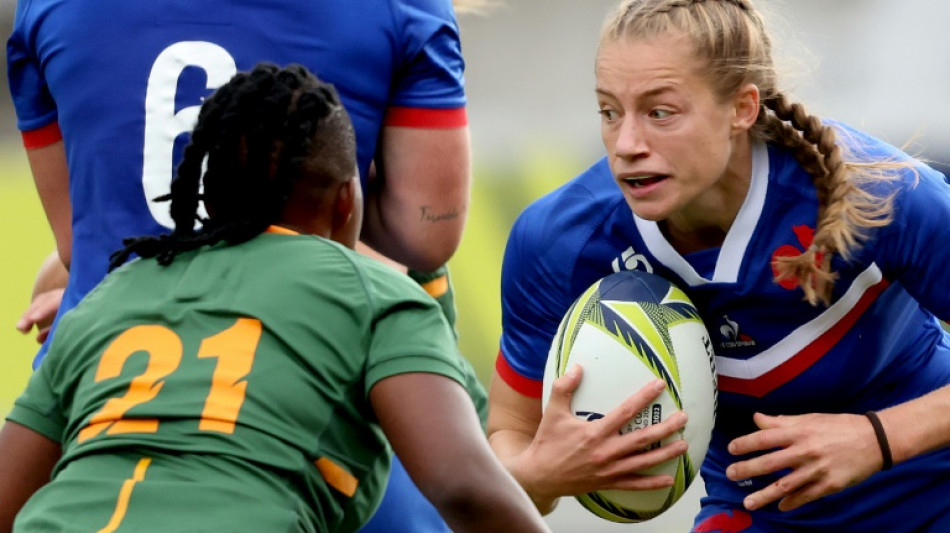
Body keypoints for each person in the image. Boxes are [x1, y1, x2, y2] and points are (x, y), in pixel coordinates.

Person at [0, 63, 550, 533]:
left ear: (207, 200)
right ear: (345, 201)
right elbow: (462, 485)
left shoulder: (111, 294)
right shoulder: (374, 293)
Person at [487, 0, 950, 531]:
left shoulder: (883, 193)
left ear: (742, 107)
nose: (627, 145)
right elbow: (506, 442)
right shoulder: (559, 242)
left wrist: (877, 438)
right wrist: (538, 475)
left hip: (934, 478)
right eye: (610, 112)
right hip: (763, 510)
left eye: (660, 112)